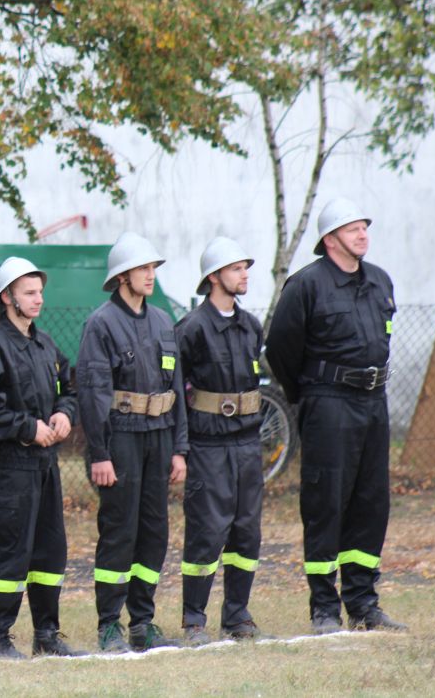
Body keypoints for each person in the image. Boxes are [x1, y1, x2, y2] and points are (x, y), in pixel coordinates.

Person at [266, 198, 407, 634]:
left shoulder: (380, 281)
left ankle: (363, 604)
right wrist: (309, 395)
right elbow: (280, 349)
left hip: (373, 402)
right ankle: (325, 608)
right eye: (352, 229)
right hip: (328, 403)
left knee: (371, 502)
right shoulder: (306, 285)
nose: (363, 235)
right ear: (330, 239)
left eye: (365, 227)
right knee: (325, 502)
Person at [0, 257, 83, 659]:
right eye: (29, 293)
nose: (39, 299)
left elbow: (69, 388)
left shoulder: (45, 343)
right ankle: (0, 638)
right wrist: (26, 428)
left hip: (47, 465)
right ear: (7, 297)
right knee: (10, 551)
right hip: (11, 466)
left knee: (50, 550)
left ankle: (46, 634)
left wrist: (64, 413)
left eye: (40, 292)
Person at [77, 232, 188, 653]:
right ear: (122, 276)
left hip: (159, 437)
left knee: (154, 532)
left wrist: (180, 449)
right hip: (121, 439)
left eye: (153, 267)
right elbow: (92, 393)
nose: (151, 275)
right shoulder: (101, 323)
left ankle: (143, 621)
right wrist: (99, 454)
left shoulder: (162, 321)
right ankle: (110, 625)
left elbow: (177, 388)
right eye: (143, 268)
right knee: (119, 531)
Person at [175, 238, 267, 645]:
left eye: (245, 268)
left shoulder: (251, 326)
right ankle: (194, 620)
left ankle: (237, 615)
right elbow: (175, 390)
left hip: (248, 443)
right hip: (208, 445)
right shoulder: (192, 329)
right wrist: (180, 448)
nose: (244, 275)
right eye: (236, 268)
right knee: (207, 530)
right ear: (214, 277)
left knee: (246, 531)